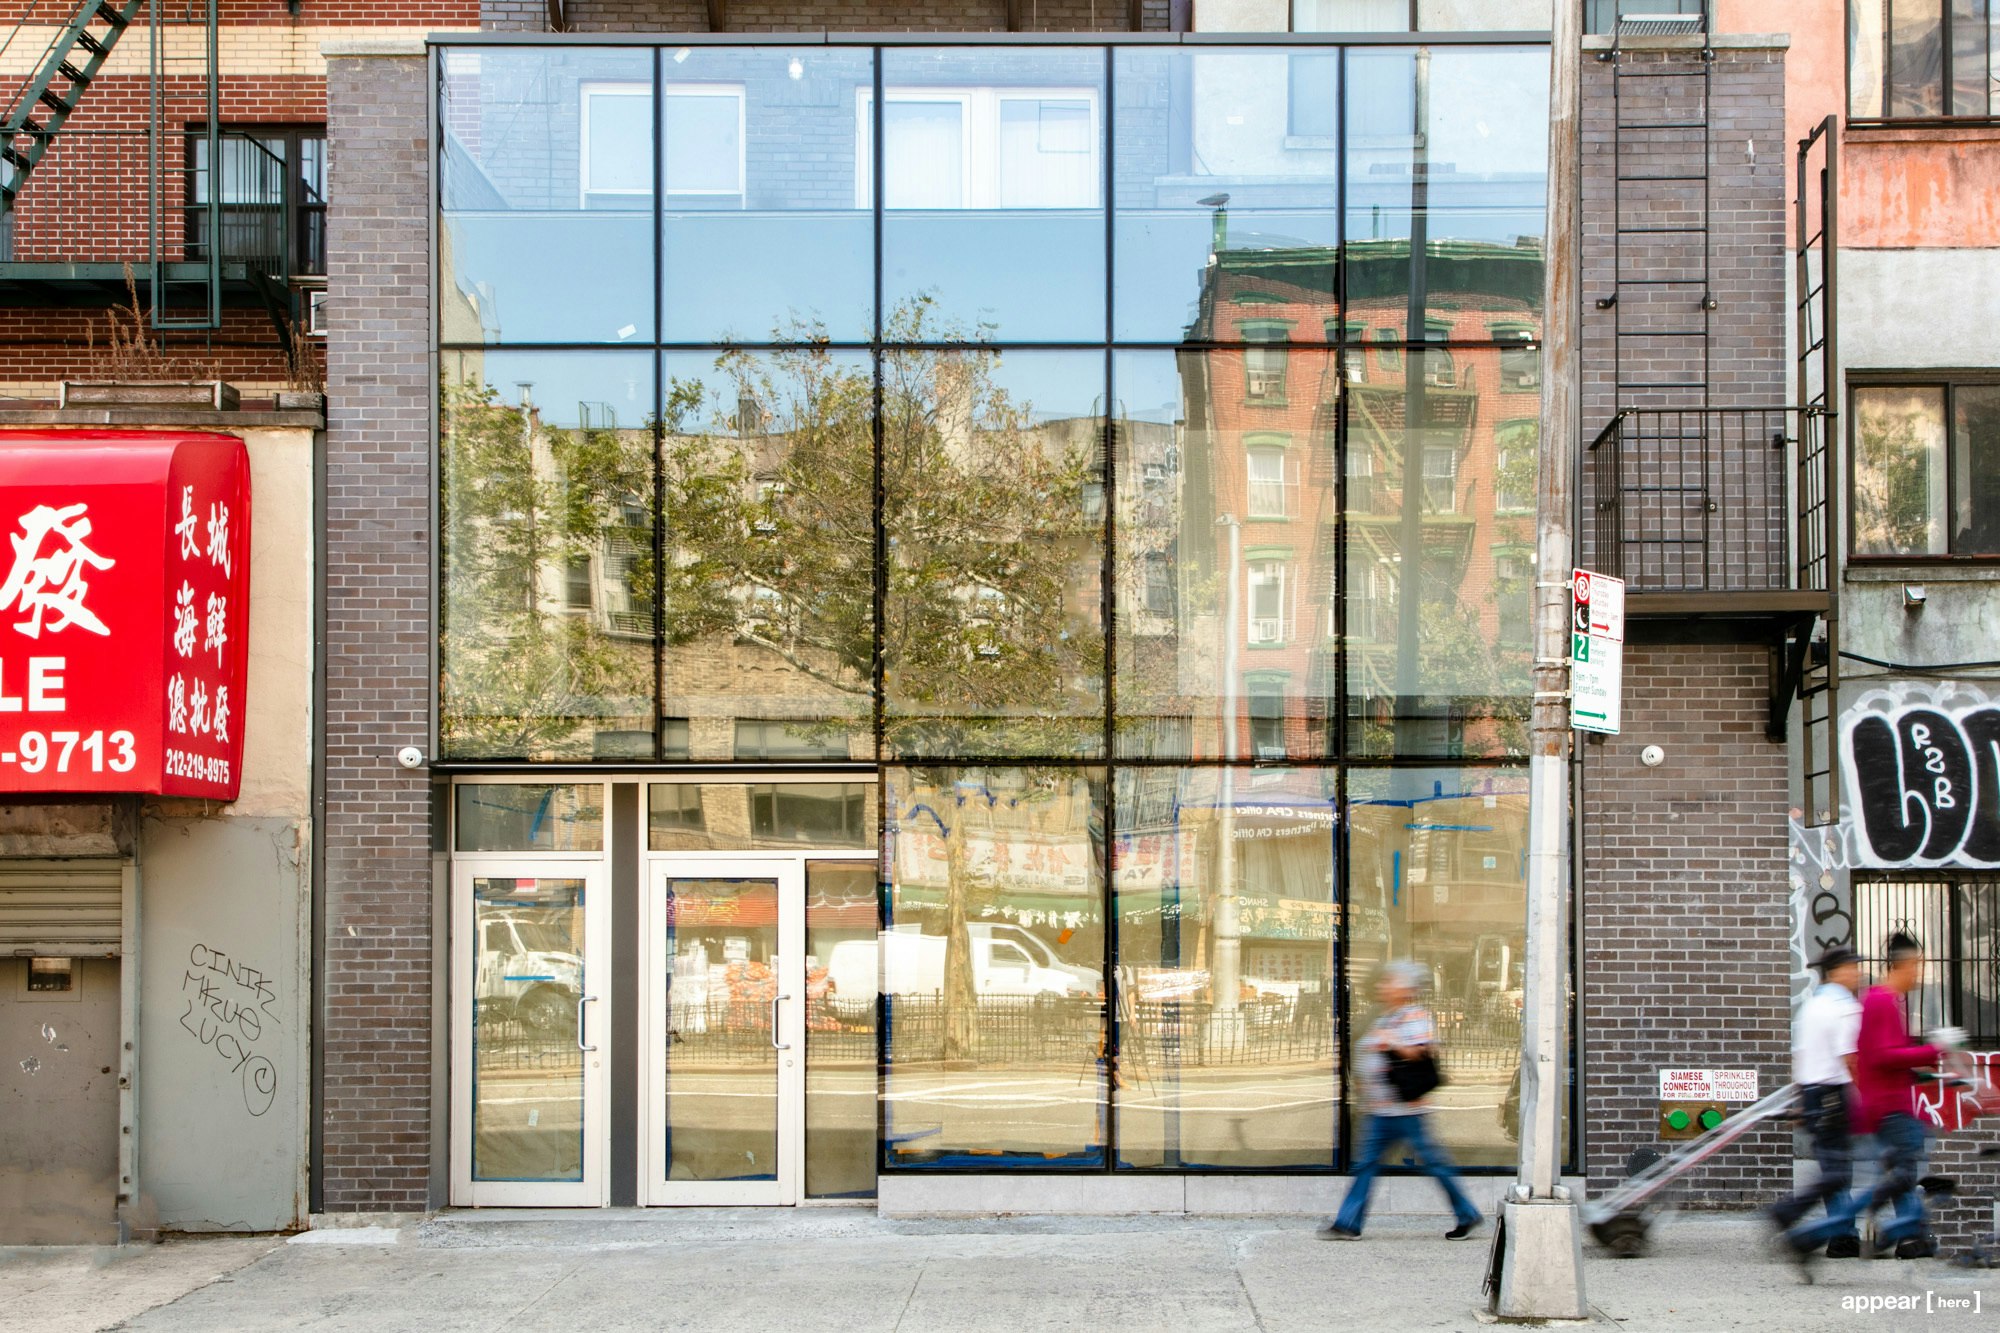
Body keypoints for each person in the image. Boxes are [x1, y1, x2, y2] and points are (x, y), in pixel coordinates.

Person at [1782, 933, 1963, 1275]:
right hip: (1873, 1104)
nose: (1919, 973)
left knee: (1882, 1175)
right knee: (1883, 1175)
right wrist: (1934, 1049)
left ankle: (1874, 1235)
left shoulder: (1867, 1002)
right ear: (1902, 965)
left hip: (1866, 1101)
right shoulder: (1870, 1003)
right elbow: (1872, 1057)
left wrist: (1924, 1071)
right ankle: (1877, 1235)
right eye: (1916, 966)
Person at [1319, 961, 1482, 1241]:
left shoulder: (1415, 1016)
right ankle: (1348, 1223)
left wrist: (1391, 1041)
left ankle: (1467, 1213)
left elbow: (1421, 1052)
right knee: (1366, 1165)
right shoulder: (1385, 1016)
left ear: (1406, 988)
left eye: (1390, 981)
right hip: (1380, 1110)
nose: (1383, 986)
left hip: (1407, 1111)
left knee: (1434, 1164)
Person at [1768, 946, 1862, 1258]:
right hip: (1834, 1093)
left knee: (1830, 1166)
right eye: (1852, 968)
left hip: (1813, 1092)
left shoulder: (1811, 1006)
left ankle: (1840, 1231)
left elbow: (1801, 1056)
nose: (1857, 974)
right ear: (1836, 972)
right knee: (1837, 1169)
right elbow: (1850, 1058)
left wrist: (1802, 1100)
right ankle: (1839, 1232)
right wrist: (1863, 1096)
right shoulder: (1843, 1006)